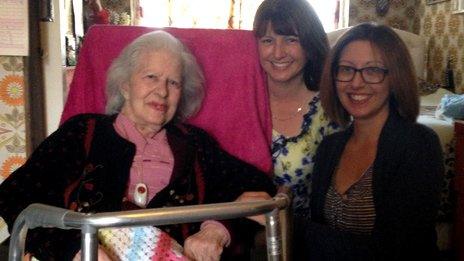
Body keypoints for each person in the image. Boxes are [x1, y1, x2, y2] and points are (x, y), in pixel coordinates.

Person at [0, 31, 276, 261]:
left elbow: (258, 188)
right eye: (151, 77)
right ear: (124, 85)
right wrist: (73, 249)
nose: (163, 91)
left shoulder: (194, 144)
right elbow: (17, 194)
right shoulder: (83, 131)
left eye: (173, 82)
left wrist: (217, 229)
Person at [292, 23, 443, 260]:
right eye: (346, 69)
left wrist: (292, 227)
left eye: (372, 70)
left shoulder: (419, 145)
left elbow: (396, 252)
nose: (356, 83)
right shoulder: (330, 148)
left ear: (394, 78)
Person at [252, 0, 339, 216]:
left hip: (304, 238)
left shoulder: (330, 108)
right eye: (268, 40)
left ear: (310, 46)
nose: (278, 53)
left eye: (291, 39)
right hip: (234, 235)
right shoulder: (244, 98)